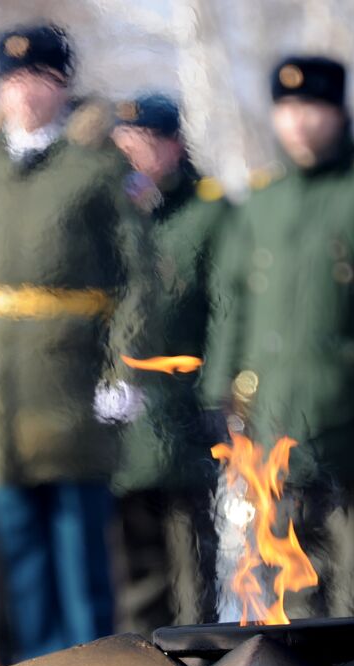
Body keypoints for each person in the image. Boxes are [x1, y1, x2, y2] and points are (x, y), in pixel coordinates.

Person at [0, 23, 155, 660]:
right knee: (18, 553)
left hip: (71, 385)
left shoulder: (97, 171)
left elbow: (136, 278)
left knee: (78, 550)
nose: (26, 94)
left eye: (42, 80)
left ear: (63, 87)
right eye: (15, 81)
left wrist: (123, 369)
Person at [204, 55, 354, 618]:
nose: (300, 123)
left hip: (350, 409)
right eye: (288, 109)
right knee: (283, 574)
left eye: (314, 109)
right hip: (274, 414)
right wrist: (218, 388)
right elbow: (232, 301)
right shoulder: (261, 200)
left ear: (340, 114)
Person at [109, 93, 228, 632]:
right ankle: (143, 658)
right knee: (133, 543)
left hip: (185, 400)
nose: (135, 156)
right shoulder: (107, 215)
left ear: (175, 146)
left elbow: (226, 309)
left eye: (147, 144)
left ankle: (198, 649)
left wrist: (220, 389)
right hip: (120, 406)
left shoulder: (207, 214)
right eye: (125, 145)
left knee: (190, 542)